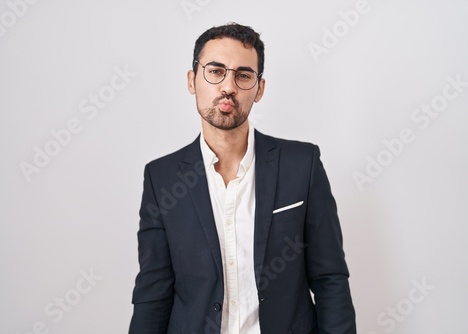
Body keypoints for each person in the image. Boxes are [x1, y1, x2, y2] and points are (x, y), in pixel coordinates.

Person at [128, 22, 356, 334]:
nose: (228, 86)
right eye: (216, 71)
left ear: (259, 89)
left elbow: (330, 278)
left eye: (243, 75)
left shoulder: (302, 165)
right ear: (192, 80)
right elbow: (153, 292)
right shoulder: (162, 178)